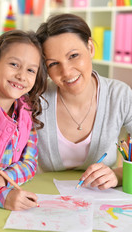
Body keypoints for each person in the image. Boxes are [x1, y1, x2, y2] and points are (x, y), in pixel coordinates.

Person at [35, 13, 132, 190]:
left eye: (73, 56)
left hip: (101, 201)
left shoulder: (119, 95)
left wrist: (118, 175)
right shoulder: (36, 100)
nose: (66, 72)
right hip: (45, 199)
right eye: (53, 64)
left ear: (90, 47)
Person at [0, 30, 47, 210]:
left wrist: (0, 181)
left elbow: (29, 164)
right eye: (14, 64)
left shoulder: (26, 112)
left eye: (30, 70)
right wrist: (1, 196)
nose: (21, 76)